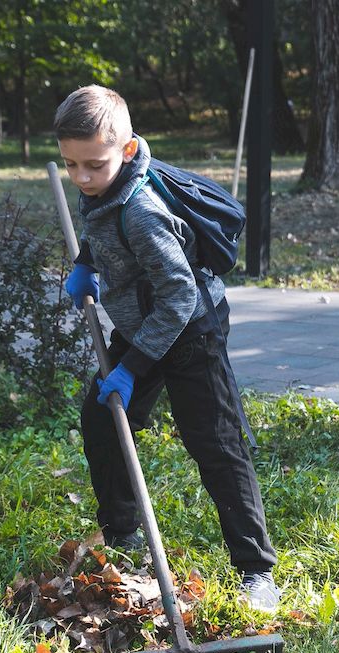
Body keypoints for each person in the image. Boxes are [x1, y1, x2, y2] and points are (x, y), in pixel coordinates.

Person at [56, 85, 279, 613]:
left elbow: (179, 296)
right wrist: (87, 261)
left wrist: (132, 367)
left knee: (216, 446)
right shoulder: (104, 188)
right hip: (141, 328)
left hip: (190, 335)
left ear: (127, 151)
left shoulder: (144, 213)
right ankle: (124, 536)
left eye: (93, 165)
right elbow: (97, 218)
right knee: (103, 420)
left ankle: (255, 572)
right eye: (71, 165)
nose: (82, 178)